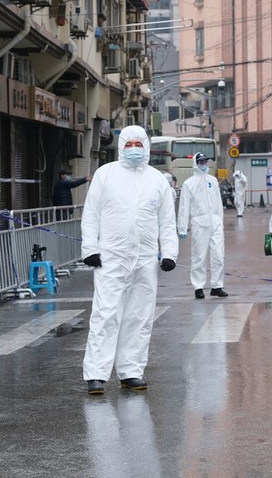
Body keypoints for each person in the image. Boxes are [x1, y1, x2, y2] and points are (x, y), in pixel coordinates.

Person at [80, 125, 178, 395]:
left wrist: (169, 252)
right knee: (105, 314)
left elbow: (167, 220)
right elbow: (91, 214)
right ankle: (96, 374)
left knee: (139, 316)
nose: (134, 148)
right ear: (121, 145)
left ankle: (131, 371)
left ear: (146, 146)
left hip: (146, 259)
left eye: (138, 143)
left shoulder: (157, 179)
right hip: (111, 256)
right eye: (129, 143)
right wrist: (90, 248)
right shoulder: (106, 174)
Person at [177, 152, 228, 299]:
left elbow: (218, 203)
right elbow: (184, 207)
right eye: (201, 162)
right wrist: (182, 227)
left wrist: (220, 221)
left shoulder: (212, 180)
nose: (203, 164)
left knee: (218, 255)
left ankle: (217, 286)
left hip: (215, 222)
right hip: (199, 223)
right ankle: (198, 286)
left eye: (205, 162)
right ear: (195, 163)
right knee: (199, 256)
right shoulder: (189, 184)